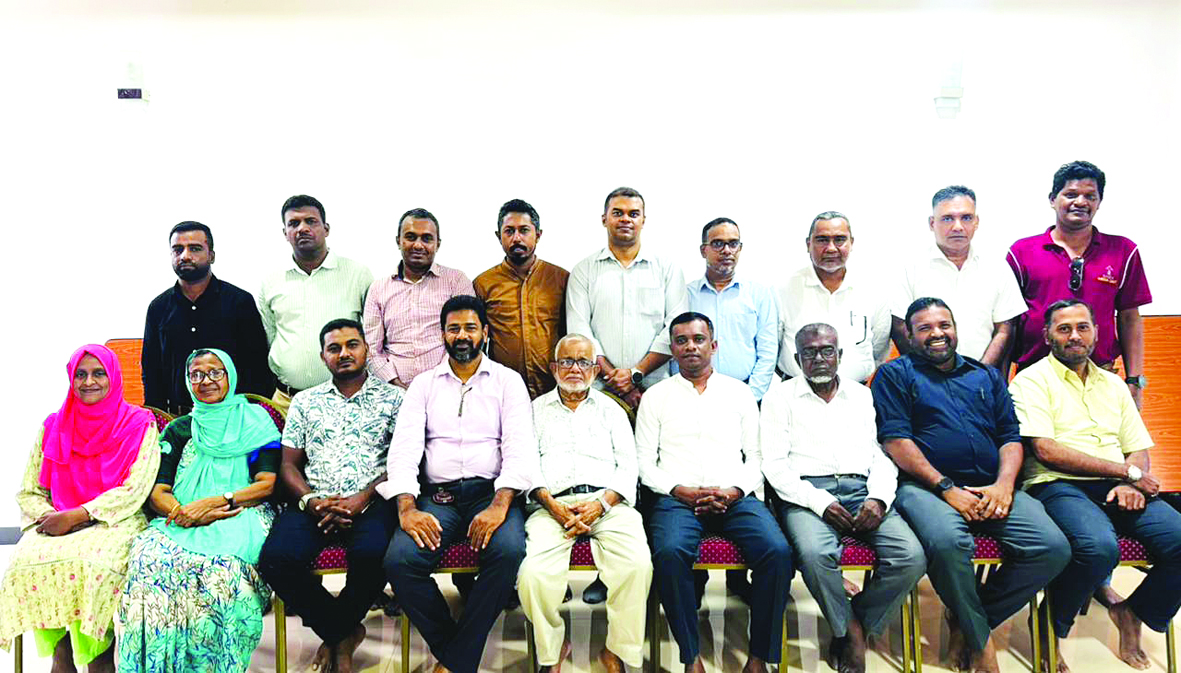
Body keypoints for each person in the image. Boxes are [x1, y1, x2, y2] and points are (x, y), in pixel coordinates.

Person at [872, 298, 1070, 673]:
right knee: (948, 543)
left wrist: (1004, 485)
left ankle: (970, 620)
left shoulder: (985, 376)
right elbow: (896, 441)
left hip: (991, 485)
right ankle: (982, 644)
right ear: (909, 336)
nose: (937, 334)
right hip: (925, 488)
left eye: (944, 325)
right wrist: (947, 488)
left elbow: (1010, 437)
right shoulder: (894, 375)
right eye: (925, 328)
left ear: (955, 328)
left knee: (1052, 547)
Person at [1010, 299, 1181, 672]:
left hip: (1119, 484)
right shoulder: (1031, 380)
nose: (1074, 336)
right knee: (1098, 548)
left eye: (1082, 327)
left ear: (1096, 333)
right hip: (1058, 484)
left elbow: (1137, 447)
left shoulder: (1115, 384)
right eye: (1064, 329)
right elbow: (1046, 450)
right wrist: (1126, 473)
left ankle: (1134, 612)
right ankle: (1049, 625)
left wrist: (1131, 482)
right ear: (1047, 336)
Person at [381, 295, 535, 673]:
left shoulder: (507, 382)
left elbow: (519, 449)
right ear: (443, 334)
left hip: (492, 494)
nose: (462, 335)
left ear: (485, 332)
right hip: (439, 499)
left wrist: (499, 506)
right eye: (453, 329)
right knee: (400, 561)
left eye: (470, 327)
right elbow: (403, 450)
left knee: (508, 552)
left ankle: (454, 662)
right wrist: (407, 508)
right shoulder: (423, 385)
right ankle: (459, 656)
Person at [761, 323, 925, 673]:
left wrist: (878, 498)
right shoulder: (780, 397)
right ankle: (848, 632)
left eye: (827, 351)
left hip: (862, 489)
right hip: (805, 494)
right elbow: (774, 466)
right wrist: (820, 502)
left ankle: (855, 622)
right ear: (797, 360)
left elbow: (880, 454)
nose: (819, 359)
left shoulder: (862, 395)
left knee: (910, 557)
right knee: (815, 554)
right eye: (809, 353)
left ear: (840, 355)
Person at [638, 312, 793, 673]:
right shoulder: (656, 397)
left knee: (777, 551)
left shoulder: (739, 393)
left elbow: (756, 456)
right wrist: (680, 491)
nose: (690, 347)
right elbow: (644, 463)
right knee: (669, 553)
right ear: (672, 349)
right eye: (681, 341)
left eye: (698, 339)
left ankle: (759, 656)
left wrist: (735, 491)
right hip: (676, 499)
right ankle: (691, 656)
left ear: (714, 345)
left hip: (734, 496)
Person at [119, 349, 282, 673]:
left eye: (215, 372)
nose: (206, 381)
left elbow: (266, 484)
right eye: (196, 374)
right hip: (180, 518)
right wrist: (184, 512)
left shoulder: (255, 421)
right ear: (187, 381)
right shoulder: (180, 429)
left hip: (241, 513)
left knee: (221, 573)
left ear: (230, 375)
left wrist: (215, 503)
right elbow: (158, 491)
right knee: (147, 560)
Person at [0, 345, 159, 673]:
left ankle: (99, 657)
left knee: (94, 564)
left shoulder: (139, 423)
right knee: (25, 559)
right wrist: (49, 516)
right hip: (58, 519)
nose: (89, 382)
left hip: (116, 519)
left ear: (113, 377)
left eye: (99, 373)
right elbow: (30, 490)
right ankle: (61, 654)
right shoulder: (54, 425)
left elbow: (136, 488)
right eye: (80, 374)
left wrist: (80, 514)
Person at [258, 319, 404, 673]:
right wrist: (311, 500)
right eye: (334, 348)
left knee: (374, 555)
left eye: (352, 345)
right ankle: (344, 632)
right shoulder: (305, 402)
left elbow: (403, 461)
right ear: (323, 357)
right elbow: (288, 465)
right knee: (275, 560)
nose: (344, 353)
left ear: (366, 350)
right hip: (314, 503)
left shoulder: (395, 399)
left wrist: (363, 498)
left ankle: (336, 637)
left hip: (373, 502)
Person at [518, 334, 652, 673]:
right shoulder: (533, 411)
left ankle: (616, 650)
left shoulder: (612, 410)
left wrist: (601, 505)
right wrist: (552, 505)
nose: (575, 369)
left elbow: (629, 466)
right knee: (532, 575)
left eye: (583, 362)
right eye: (567, 361)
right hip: (551, 507)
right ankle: (552, 651)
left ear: (594, 369)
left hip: (608, 504)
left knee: (637, 565)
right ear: (554, 368)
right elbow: (526, 466)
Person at [1007, 160, 1152, 409]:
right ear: (1053, 199)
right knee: (1036, 437)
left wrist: (1134, 380)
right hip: (1035, 380)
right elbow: (1007, 322)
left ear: (1099, 202)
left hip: (1099, 377)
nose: (1081, 202)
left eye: (1090, 196)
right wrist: (999, 383)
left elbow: (1130, 319)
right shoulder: (1022, 252)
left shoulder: (1123, 251)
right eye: (1071, 194)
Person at [566, 186, 689, 409]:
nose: (625, 219)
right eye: (617, 213)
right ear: (604, 219)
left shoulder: (667, 269)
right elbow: (579, 331)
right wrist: (614, 379)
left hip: (656, 389)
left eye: (633, 214)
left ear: (643, 220)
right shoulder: (583, 271)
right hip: (600, 390)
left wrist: (635, 375)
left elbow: (676, 329)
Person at [258, 194, 374, 413]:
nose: (302, 228)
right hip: (286, 402)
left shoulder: (357, 274)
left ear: (326, 229)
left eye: (310, 221)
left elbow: (372, 336)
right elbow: (270, 336)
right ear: (285, 233)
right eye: (294, 223)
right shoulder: (271, 281)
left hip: (345, 400)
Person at [143, 221, 273, 414]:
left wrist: (251, 415)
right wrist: (158, 418)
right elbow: (151, 370)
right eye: (178, 250)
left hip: (234, 417)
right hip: (177, 417)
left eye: (195, 249)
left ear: (211, 255)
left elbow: (258, 366)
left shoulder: (239, 302)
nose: (185, 256)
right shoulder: (158, 308)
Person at [890, 187, 1027, 368]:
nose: (958, 227)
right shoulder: (910, 268)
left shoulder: (997, 267)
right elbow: (900, 327)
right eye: (948, 218)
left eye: (966, 218)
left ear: (976, 222)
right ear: (932, 223)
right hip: (924, 377)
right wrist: (928, 374)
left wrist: (980, 373)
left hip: (983, 376)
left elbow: (1005, 328)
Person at [364, 208, 474, 389]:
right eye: (410, 237)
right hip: (391, 391)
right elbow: (371, 351)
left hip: (449, 386)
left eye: (426, 238)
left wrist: (438, 382)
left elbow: (466, 338)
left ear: (438, 244)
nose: (418, 245)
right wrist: (396, 386)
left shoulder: (456, 282)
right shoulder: (378, 289)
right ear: (398, 241)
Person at [777, 212, 890, 383]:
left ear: (851, 243)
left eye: (839, 240)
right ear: (808, 244)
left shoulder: (873, 290)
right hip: (795, 391)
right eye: (822, 240)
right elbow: (773, 347)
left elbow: (879, 347)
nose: (831, 248)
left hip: (856, 391)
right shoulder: (783, 290)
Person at [474, 199, 569, 400]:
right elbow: (478, 341)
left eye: (524, 230)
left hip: (556, 390)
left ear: (538, 235)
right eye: (509, 231)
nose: (516, 238)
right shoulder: (483, 284)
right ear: (499, 236)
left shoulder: (561, 279)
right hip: (502, 393)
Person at [682, 217, 777, 401]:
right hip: (694, 395)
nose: (727, 251)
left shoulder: (759, 294)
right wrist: (687, 392)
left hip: (746, 393)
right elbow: (675, 351)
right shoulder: (686, 295)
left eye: (733, 244)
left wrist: (751, 397)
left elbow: (768, 352)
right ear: (703, 250)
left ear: (740, 248)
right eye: (718, 244)